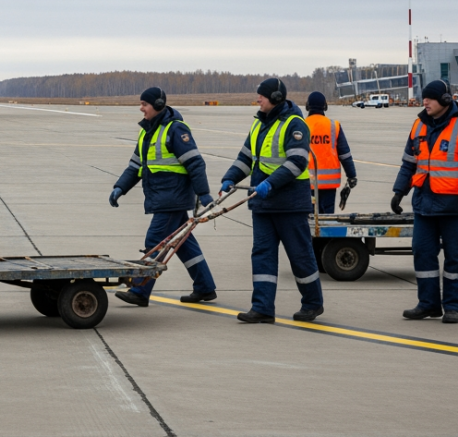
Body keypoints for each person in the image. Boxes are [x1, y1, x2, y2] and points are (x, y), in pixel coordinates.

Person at [219, 78, 324, 323]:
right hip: (263, 204)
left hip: (289, 204)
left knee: (299, 255)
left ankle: (312, 303)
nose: (258, 99)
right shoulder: (258, 124)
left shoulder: (295, 124)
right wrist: (230, 177)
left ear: (276, 98)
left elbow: (297, 161)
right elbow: (246, 157)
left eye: (262, 96)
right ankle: (263, 308)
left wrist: (271, 183)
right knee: (262, 255)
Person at [390, 80, 458, 324]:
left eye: (430, 98)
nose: (425, 102)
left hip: (455, 205)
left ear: (445, 100)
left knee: (454, 257)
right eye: (424, 98)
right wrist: (399, 191)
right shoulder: (418, 125)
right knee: (422, 254)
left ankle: (452, 306)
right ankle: (428, 304)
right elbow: (409, 163)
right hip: (424, 204)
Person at [110, 87, 218, 306]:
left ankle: (140, 290)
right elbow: (135, 166)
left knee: (155, 242)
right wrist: (120, 187)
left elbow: (195, 162)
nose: (141, 108)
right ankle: (205, 287)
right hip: (162, 197)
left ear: (157, 105)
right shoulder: (147, 132)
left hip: (172, 198)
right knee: (185, 245)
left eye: (144, 104)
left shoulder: (175, 130)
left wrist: (203, 193)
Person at [304, 92, 357, 215]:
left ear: (307, 106)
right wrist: (351, 176)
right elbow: (345, 155)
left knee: (309, 220)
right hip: (329, 184)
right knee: (327, 220)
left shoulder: (302, 125)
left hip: (307, 183)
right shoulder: (334, 126)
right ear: (325, 106)